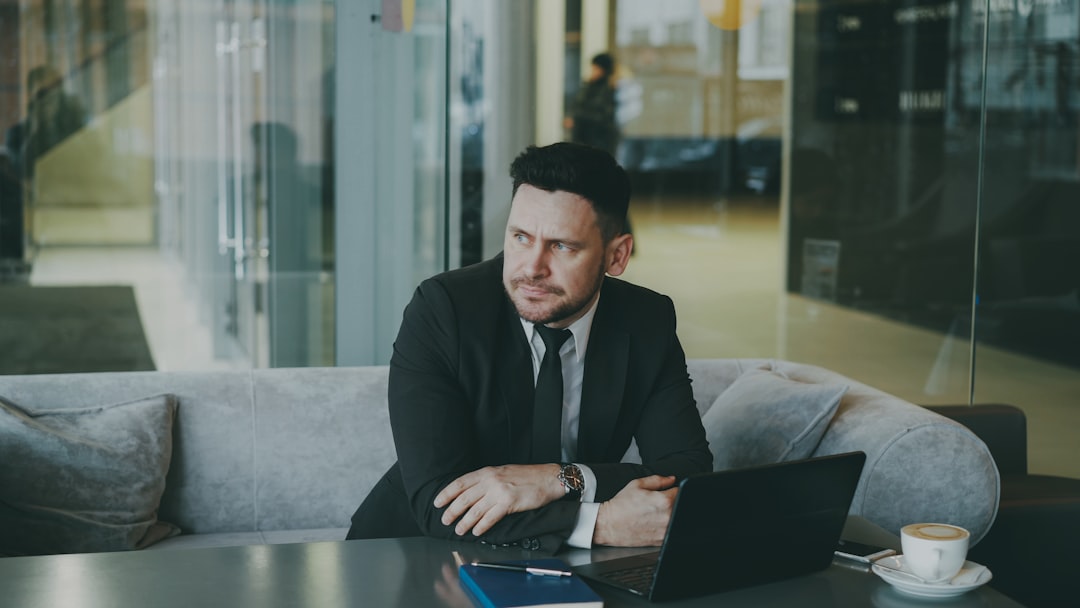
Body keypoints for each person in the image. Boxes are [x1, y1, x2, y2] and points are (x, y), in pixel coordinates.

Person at [346, 142, 711, 553]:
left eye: (562, 246)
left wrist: (560, 477)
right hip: (412, 553)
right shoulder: (443, 310)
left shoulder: (647, 320)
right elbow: (439, 503)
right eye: (520, 237)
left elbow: (686, 471)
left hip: (568, 571)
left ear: (617, 255)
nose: (532, 268)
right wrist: (597, 522)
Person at [565, 52, 619, 155]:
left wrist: (576, 118)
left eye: (595, 68)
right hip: (584, 139)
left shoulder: (608, 90)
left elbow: (602, 115)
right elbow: (577, 105)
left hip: (598, 140)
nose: (592, 71)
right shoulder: (588, 86)